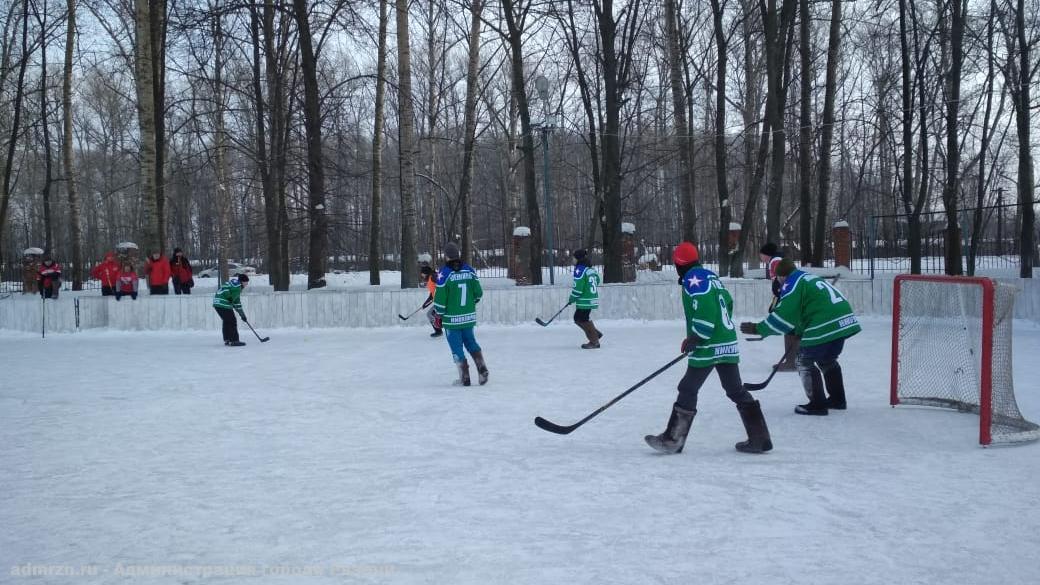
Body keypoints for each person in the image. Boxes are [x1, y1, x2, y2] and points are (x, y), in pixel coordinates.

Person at [645, 242, 772, 455]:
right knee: (735, 390)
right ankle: (760, 438)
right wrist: (718, 330)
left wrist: (698, 336)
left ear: (679, 264)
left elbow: (706, 308)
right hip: (727, 342)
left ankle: (673, 439)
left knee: (688, 388)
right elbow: (728, 303)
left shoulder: (693, 280)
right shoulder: (710, 277)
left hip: (709, 343)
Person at [740, 258, 860, 415]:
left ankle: (817, 405)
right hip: (843, 320)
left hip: (826, 322)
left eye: (778, 278)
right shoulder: (806, 277)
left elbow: (784, 315)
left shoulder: (792, 283)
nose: (778, 281)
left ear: (782, 276)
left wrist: (759, 329)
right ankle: (837, 400)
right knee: (827, 360)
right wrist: (798, 330)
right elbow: (805, 311)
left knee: (803, 360)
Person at [433, 242, 488, 386]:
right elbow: (478, 293)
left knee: (456, 347)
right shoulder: (469, 270)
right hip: (468, 317)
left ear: (446, 256)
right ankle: (482, 367)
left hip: (451, 320)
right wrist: (470, 305)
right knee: (471, 342)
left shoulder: (444, 273)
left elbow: (440, 299)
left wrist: (439, 314)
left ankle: (464, 377)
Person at [759, 242, 798, 371]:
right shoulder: (776, 260)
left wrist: (780, 297)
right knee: (792, 328)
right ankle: (795, 360)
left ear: (766, 254)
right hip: (788, 296)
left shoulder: (775, 261)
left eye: (761, 254)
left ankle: (792, 362)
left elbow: (783, 280)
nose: (760, 257)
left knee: (790, 327)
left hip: (788, 297)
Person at [568, 249, 603, 349]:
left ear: (578, 258)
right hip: (591, 299)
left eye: (574, 257)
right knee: (579, 318)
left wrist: (572, 298)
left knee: (581, 319)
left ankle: (594, 341)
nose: (573, 259)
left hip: (584, 300)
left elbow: (578, 287)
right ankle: (595, 333)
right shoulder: (590, 269)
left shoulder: (580, 269)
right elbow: (597, 280)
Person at [213, 274, 249, 347]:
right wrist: (228, 296)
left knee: (227, 321)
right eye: (246, 282)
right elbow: (224, 287)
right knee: (232, 321)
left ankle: (227, 339)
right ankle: (234, 340)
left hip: (217, 304)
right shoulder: (237, 285)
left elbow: (237, 303)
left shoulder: (236, 287)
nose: (247, 284)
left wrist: (243, 315)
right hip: (223, 304)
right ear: (242, 282)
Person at [420, 265, 442, 337]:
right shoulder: (430, 278)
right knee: (431, 314)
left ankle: (439, 330)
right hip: (438, 302)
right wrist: (425, 304)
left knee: (430, 314)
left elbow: (441, 283)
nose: (421, 275)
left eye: (422, 273)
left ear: (426, 273)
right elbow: (432, 295)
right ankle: (439, 329)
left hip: (441, 301)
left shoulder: (433, 276)